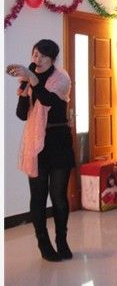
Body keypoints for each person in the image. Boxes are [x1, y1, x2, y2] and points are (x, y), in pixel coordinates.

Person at [12, 39, 75, 262]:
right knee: (38, 196)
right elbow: (22, 114)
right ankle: (43, 243)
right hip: (36, 144)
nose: (36, 59)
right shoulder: (28, 80)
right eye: (34, 54)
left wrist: (33, 80)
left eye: (41, 56)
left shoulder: (61, 78)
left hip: (58, 141)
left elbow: (48, 101)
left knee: (58, 196)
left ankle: (62, 240)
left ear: (51, 59)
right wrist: (24, 88)